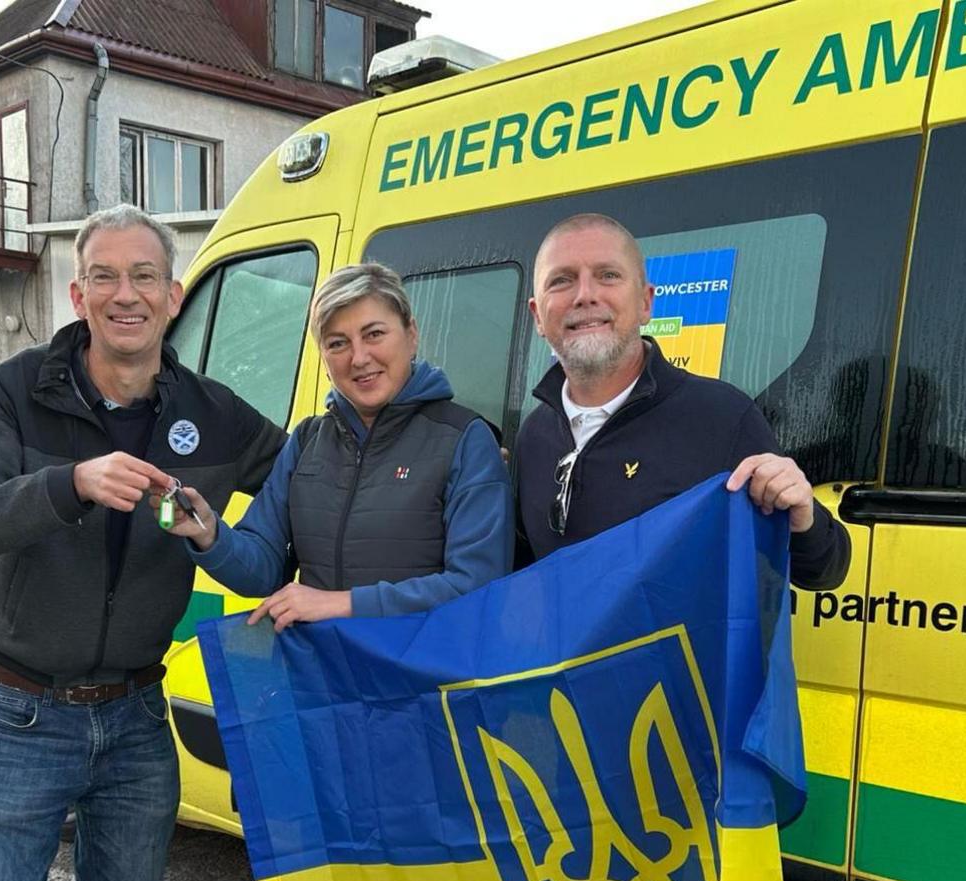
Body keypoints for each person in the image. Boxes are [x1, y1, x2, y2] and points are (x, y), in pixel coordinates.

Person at [0, 204, 285, 881]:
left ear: (173, 296)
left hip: (138, 717)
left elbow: (318, 475)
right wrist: (68, 484)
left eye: (145, 276)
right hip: (18, 711)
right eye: (105, 276)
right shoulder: (17, 391)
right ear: (78, 295)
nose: (127, 294)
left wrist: (440, 448)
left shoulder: (212, 412)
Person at [163, 263, 513, 630]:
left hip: (425, 682)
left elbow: (477, 586)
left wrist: (343, 604)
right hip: (323, 681)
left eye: (374, 334)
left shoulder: (465, 437)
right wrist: (207, 532)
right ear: (324, 359)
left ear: (411, 335)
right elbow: (262, 570)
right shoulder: (306, 441)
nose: (358, 358)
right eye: (337, 343)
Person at [515, 213, 850, 588]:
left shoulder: (722, 418)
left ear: (645, 302)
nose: (585, 295)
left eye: (608, 275)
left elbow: (822, 572)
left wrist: (805, 519)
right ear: (538, 316)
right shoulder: (533, 435)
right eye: (562, 280)